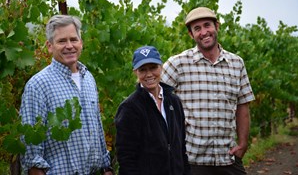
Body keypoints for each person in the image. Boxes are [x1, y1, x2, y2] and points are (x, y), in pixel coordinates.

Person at [161, 7, 255, 175]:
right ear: (191, 34)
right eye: (197, 29)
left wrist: (242, 143)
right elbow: (153, 99)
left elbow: (243, 106)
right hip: (192, 160)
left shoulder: (236, 63)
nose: (204, 32)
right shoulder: (178, 64)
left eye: (207, 25)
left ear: (216, 26)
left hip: (228, 157)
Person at [20, 15, 113, 175]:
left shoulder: (88, 78)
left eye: (73, 39)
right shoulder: (38, 85)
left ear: (81, 43)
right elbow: (31, 151)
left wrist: (107, 168)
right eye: (62, 41)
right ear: (50, 46)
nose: (69, 46)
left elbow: (97, 128)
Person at [115, 46, 191, 175]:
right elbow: (126, 159)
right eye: (143, 70)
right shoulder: (129, 108)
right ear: (135, 72)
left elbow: (181, 148)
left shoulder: (174, 101)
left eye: (153, 67)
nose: (149, 74)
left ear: (161, 67)